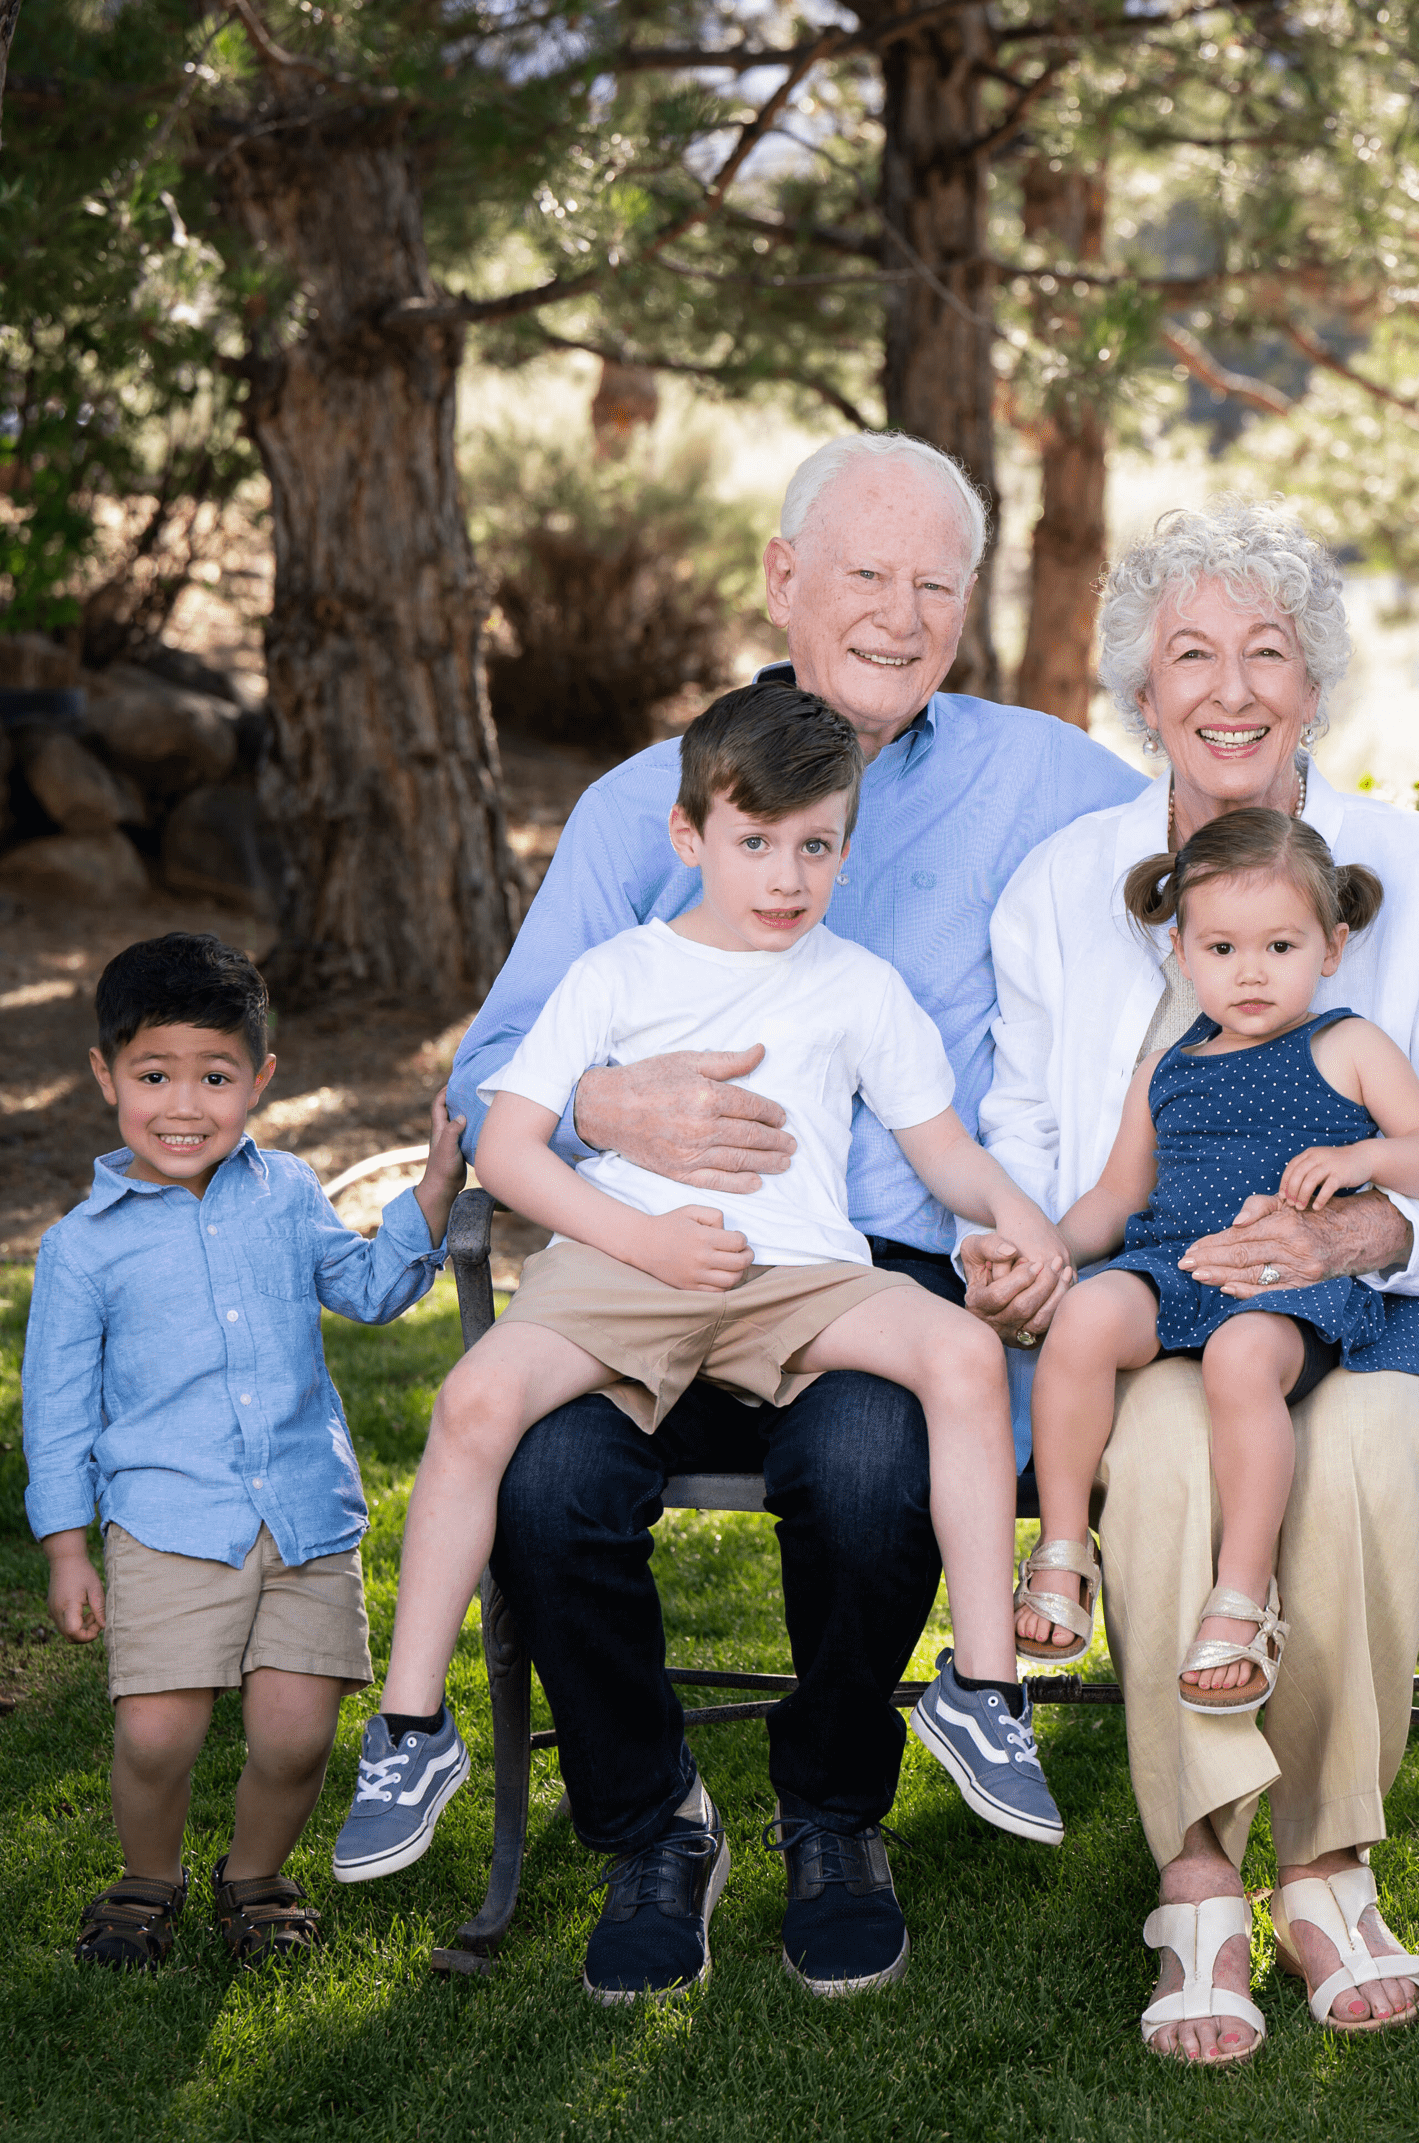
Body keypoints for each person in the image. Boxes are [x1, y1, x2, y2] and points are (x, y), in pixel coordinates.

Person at [443, 433, 1145, 2006]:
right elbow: (493, 1066)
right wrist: (613, 1108)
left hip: (865, 1264)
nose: (898, 614)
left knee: (873, 1459)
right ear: (781, 580)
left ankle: (834, 1806)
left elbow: (1267, 844)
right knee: (551, 1478)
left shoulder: (1044, 773)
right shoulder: (658, 798)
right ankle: (648, 1823)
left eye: (934, 583)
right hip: (641, 1250)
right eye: (863, 575)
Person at [981, 497, 1419, 2065]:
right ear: (1141, 690)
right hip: (1153, 1297)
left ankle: (1326, 1862)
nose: (1231, 685)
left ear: (1316, 686)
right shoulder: (1067, 883)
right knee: (1169, 1443)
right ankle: (1198, 1870)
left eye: (1269, 651)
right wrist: (1030, 1246)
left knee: (1354, 1457)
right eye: (1190, 652)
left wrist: (1351, 1235)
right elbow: (1021, 1126)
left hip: (1381, 1306)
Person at [337, 685, 1075, 1904]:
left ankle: (983, 1691)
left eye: (816, 846)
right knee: (476, 1404)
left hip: (797, 1276)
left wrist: (1024, 1221)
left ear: (846, 843)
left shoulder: (858, 987)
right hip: (628, 1267)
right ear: (689, 837)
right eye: (755, 843)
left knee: (957, 1356)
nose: (786, 877)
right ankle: (414, 1731)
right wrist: (643, 1236)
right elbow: (511, 1148)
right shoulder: (618, 976)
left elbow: (944, 1150)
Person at [22, 933, 464, 1971]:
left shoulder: (289, 1191)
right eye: (154, 1075)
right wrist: (66, 1549)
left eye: (215, 1076)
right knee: (157, 1736)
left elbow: (366, 1289)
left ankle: (257, 1877)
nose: (185, 1106)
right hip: (169, 1522)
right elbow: (55, 1414)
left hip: (305, 1515)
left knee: (295, 1734)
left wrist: (434, 1192)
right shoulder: (81, 1248)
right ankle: (148, 1877)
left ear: (259, 1079)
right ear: (105, 1077)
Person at [1017, 809, 1419, 1720]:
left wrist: (1365, 1162)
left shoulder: (1347, 1045)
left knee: (1236, 1363)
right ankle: (1064, 1552)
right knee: (1085, 1318)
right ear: (1183, 954)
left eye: (1280, 944)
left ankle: (1244, 1591)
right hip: (1180, 1268)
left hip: (1290, 1289)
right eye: (1223, 947)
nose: (1252, 970)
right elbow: (1114, 1198)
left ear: (1333, 947)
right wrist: (1044, 1253)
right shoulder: (1164, 1069)